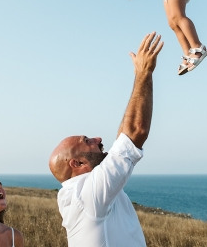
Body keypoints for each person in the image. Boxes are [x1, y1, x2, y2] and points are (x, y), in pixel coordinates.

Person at [49, 32, 164, 247]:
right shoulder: (87, 196)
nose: (98, 138)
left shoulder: (81, 194)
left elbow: (123, 140)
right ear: (78, 163)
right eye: (87, 141)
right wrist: (143, 73)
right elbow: (135, 133)